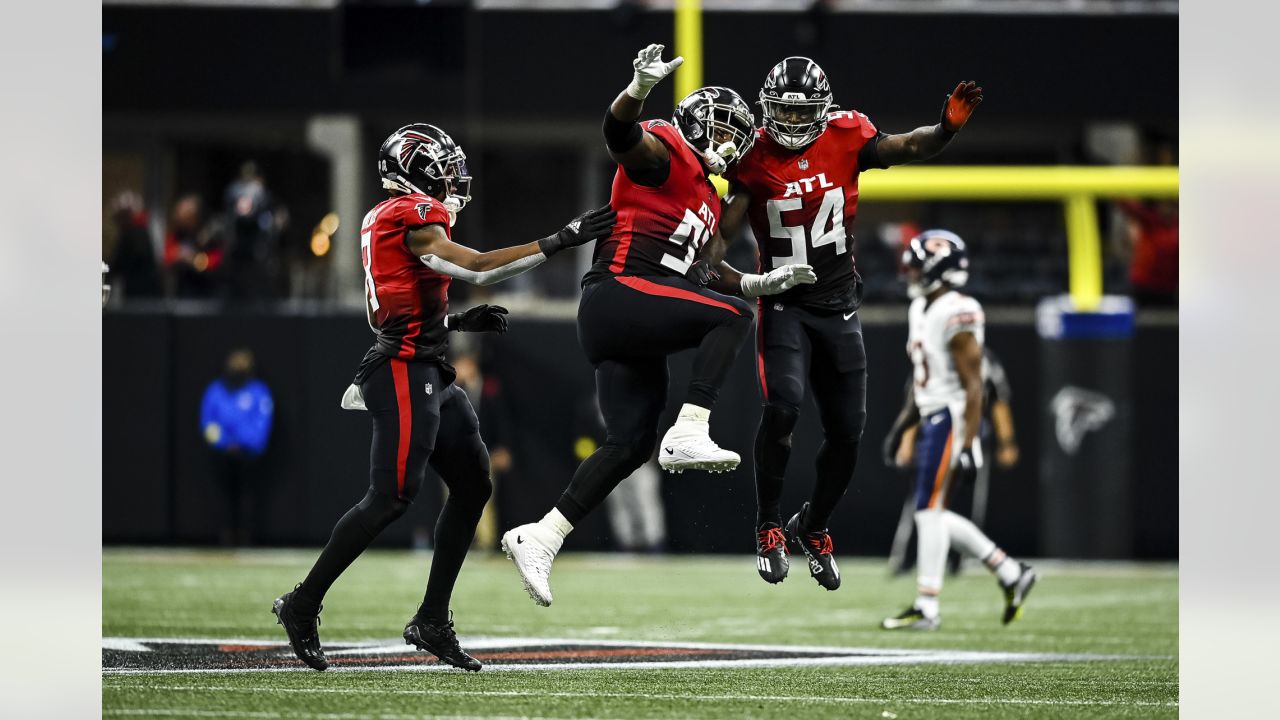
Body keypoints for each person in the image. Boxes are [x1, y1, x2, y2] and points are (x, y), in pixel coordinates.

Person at [271, 123, 615, 672]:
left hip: (425, 365)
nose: (452, 177)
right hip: (404, 369)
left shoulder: (387, 219)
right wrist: (562, 238)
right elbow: (477, 265)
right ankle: (302, 603)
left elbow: (395, 301)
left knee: (475, 481)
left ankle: (432, 619)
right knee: (391, 496)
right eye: (441, 167)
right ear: (412, 172)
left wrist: (455, 319)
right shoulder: (409, 216)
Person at [500, 44, 813, 607]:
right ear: (694, 122)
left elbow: (704, 273)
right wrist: (637, 89)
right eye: (722, 131)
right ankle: (691, 426)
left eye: (736, 137)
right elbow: (619, 134)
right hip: (618, 294)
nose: (729, 145)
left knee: (628, 445)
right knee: (733, 321)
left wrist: (755, 283)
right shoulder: (668, 152)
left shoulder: (709, 200)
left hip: (634, 319)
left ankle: (541, 536)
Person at [701, 57, 984, 589]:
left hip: (838, 306)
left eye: (798, 110)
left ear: (821, 110)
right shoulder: (752, 154)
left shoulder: (846, 134)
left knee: (847, 432)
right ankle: (766, 525)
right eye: (779, 109)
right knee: (782, 406)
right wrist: (720, 263)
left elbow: (911, 146)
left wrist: (945, 129)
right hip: (784, 303)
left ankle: (812, 525)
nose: (786, 120)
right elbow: (718, 243)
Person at [879, 230, 1037, 631]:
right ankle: (1010, 573)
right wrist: (902, 429)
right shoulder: (921, 309)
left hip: (951, 417)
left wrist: (968, 443)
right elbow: (921, 384)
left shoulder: (957, 309)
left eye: (917, 267)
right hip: (933, 415)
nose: (910, 273)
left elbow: (974, 384)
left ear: (938, 270)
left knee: (929, 512)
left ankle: (927, 605)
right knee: (932, 513)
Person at [884, 346, 1020, 575]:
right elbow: (916, 400)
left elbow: (997, 400)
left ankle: (961, 563)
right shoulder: (931, 354)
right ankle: (911, 560)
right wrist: (904, 439)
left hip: (965, 437)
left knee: (956, 504)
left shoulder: (983, 360)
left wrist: (1006, 441)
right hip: (934, 436)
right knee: (923, 503)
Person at [200, 349, 274, 546]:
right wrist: (224, 442)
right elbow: (208, 423)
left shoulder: (258, 391)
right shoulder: (216, 390)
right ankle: (225, 535)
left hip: (249, 454)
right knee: (224, 495)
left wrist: (243, 443)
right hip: (222, 454)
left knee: (248, 495)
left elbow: (262, 423)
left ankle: (246, 536)